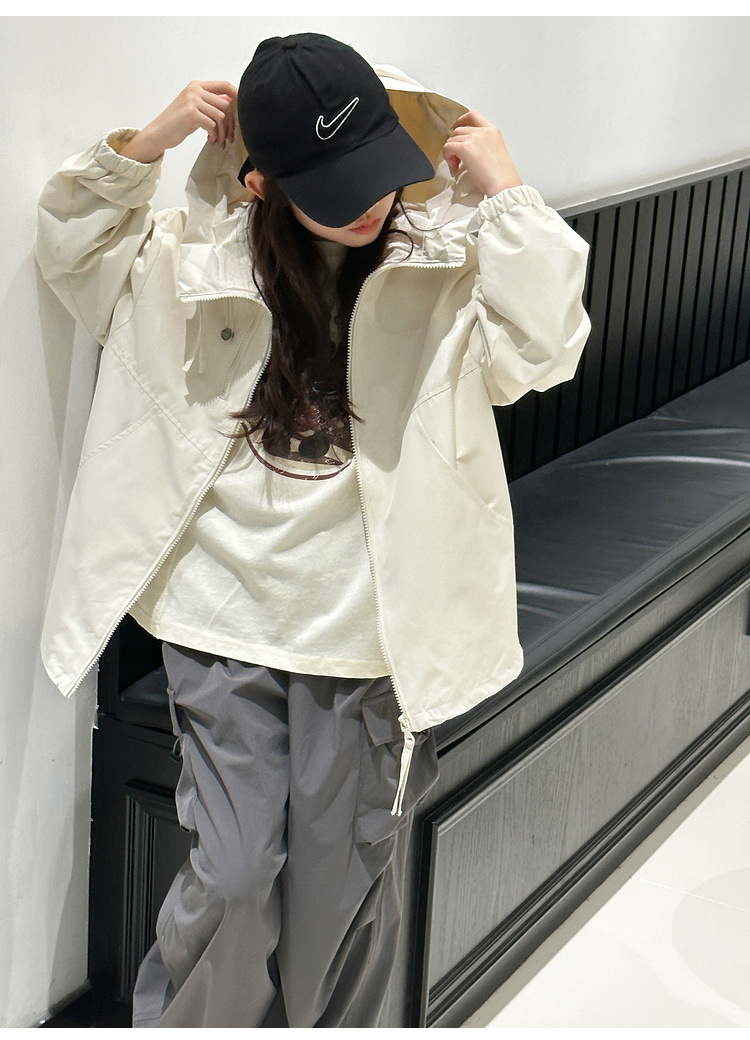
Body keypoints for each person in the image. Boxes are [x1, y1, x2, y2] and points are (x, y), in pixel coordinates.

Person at [35, 32, 591, 1028]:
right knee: (236, 873)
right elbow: (70, 250)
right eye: (338, 185)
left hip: (366, 626)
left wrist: (507, 194)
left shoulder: (442, 265)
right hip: (221, 616)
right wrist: (149, 141)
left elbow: (544, 353)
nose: (372, 200)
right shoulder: (192, 258)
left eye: (378, 165)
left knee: (340, 892)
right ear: (262, 183)